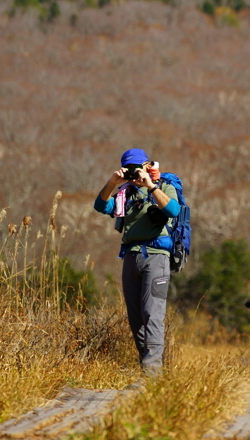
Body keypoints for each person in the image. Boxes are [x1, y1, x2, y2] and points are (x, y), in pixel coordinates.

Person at [93, 148, 180, 375]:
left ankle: (152, 373)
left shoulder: (163, 186)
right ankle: (147, 367)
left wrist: (150, 186)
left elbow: (173, 209)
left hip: (157, 256)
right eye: (128, 168)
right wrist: (113, 182)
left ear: (146, 165)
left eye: (137, 167)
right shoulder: (125, 193)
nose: (133, 172)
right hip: (131, 256)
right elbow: (101, 206)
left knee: (152, 313)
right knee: (135, 317)